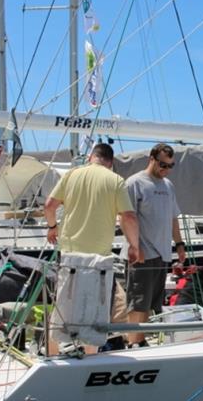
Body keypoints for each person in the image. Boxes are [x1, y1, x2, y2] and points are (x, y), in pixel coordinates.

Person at [44, 143, 140, 353]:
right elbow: (129, 216)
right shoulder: (115, 181)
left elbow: (49, 205)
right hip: (98, 258)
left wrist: (52, 227)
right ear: (111, 162)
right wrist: (134, 245)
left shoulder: (71, 175)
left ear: (90, 157)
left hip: (69, 253)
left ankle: (51, 354)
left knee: (61, 305)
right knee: (93, 311)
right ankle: (89, 358)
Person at [124, 143, 187, 348]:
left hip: (163, 254)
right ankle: (134, 342)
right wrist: (135, 246)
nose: (166, 169)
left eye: (170, 166)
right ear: (151, 159)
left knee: (152, 302)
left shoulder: (168, 186)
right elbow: (126, 217)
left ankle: (140, 340)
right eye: (162, 165)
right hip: (142, 253)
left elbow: (173, 218)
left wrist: (179, 244)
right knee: (138, 301)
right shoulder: (134, 183)